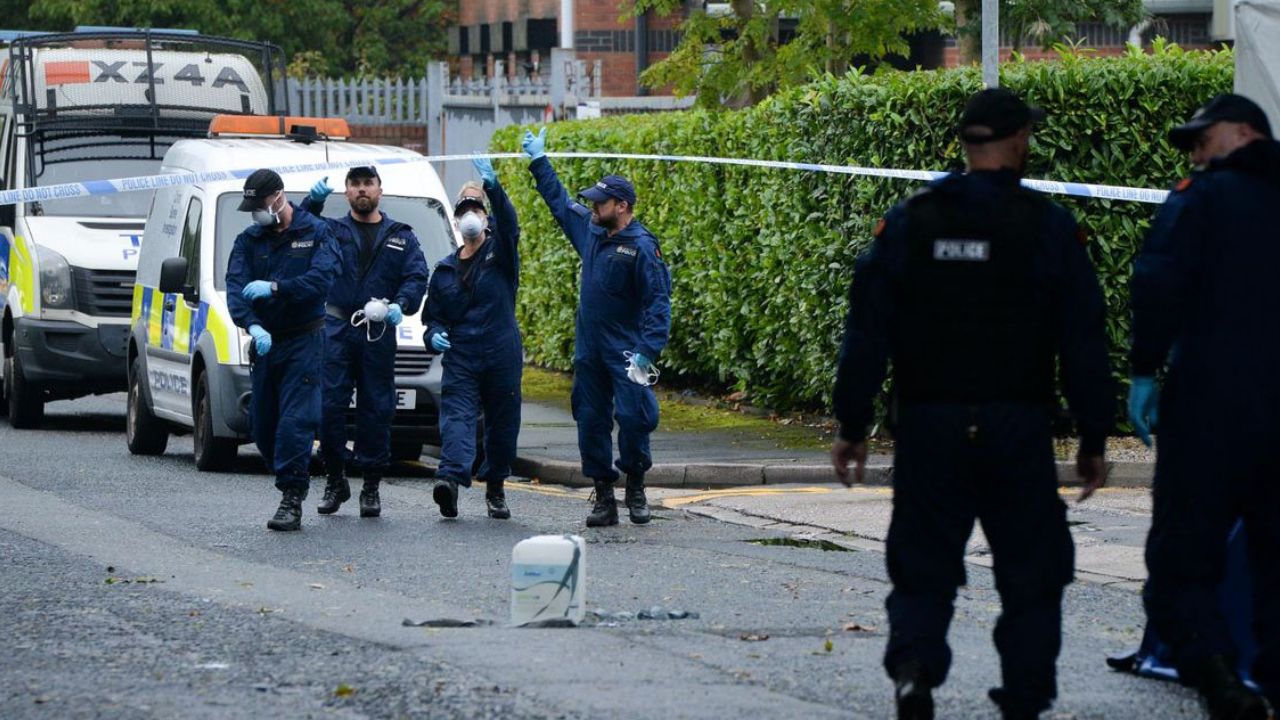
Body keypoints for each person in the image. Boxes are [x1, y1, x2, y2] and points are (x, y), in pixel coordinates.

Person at [830, 89, 1114, 720]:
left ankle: (914, 671)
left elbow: (867, 333)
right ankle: (1026, 694)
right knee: (1032, 570)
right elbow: (1084, 339)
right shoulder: (1047, 226)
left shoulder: (912, 221)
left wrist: (853, 424)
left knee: (923, 561)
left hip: (931, 425)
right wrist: (1094, 436)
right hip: (1016, 425)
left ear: (967, 144)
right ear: (1017, 142)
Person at [1130, 93, 1280, 719]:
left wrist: (1143, 371)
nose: (1193, 150)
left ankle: (1219, 678)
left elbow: (1158, 283)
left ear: (1245, 133)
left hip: (1211, 407)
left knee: (1182, 554)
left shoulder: (1201, 199)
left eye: (1202, 137)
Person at [524, 127, 672, 527]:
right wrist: (539, 162)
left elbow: (659, 303)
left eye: (600, 202)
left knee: (636, 417)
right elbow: (560, 203)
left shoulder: (643, 248)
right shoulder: (590, 231)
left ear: (621, 206)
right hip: (590, 349)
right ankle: (604, 495)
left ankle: (636, 487)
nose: (592, 206)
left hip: (629, 351)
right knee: (590, 418)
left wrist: (648, 350)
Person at [302, 166, 428, 519]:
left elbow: (417, 275)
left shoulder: (401, 235)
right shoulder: (330, 230)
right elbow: (296, 235)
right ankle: (335, 478)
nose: (361, 190)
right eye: (354, 184)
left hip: (377, 332)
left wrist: (399, 306)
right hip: (336, 329)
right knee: (328, 408)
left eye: (367, 183)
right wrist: (311, 204)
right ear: (346, 193)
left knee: (376, 408)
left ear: (379, 190)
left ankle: (371, 485)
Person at [226, 168, 341, 532]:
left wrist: (276, 289)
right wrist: (252, 324)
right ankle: (294, 469)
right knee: (262, 424)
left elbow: (322, 280)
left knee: (296, 420)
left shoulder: (315, 232)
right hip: (266, 342)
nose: (256, 212)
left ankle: (292, 496)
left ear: (278, 197)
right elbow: (235, 287)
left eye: (260, 204)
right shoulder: (248, 240)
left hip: (304, 340)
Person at [421, 158, 523, 519]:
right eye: (464, 208)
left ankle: (495, 486)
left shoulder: (502, 253)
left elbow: (510, 225)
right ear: (455, 218)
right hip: (462, 353)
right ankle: (449, 480)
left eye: (475, 207)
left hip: (501, 350)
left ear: (485, 215)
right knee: (458, 417)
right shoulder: (445, 270)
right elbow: (431, 317)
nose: (470, 214)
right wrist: (433, 335)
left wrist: (493, 187)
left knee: (502, 423)